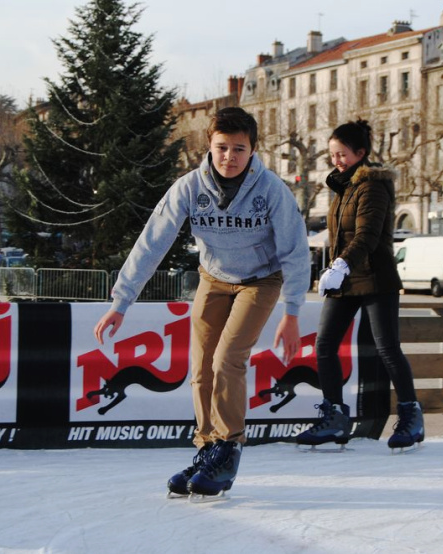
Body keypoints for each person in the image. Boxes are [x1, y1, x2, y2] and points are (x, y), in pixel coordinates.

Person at [93, 107, 310, 496]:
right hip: (213, 278)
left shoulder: (272, 190)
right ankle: (207, 447)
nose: (229, 157)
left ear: (253, 149)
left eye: (239, 149)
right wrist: (121, 302)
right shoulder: (189, 188)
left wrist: (292, 312)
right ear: (208, 147)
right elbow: (152, 242)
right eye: (221, 148)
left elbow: (295, 251)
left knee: (228, 358)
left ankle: (229, 446)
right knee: (201, 367)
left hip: (261, 281)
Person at [295, 120, 424, 451]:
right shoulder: (342, 188)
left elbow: (366, 236)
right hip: (347, 279)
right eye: (333, 154)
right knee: (324, 345)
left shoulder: (372, 187)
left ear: (361, 153)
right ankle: (335, 416)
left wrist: (340, 264)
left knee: (387, 348)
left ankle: (411, 415)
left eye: (342, 154)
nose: (336, 160)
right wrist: (335, 266)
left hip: (376, 278)